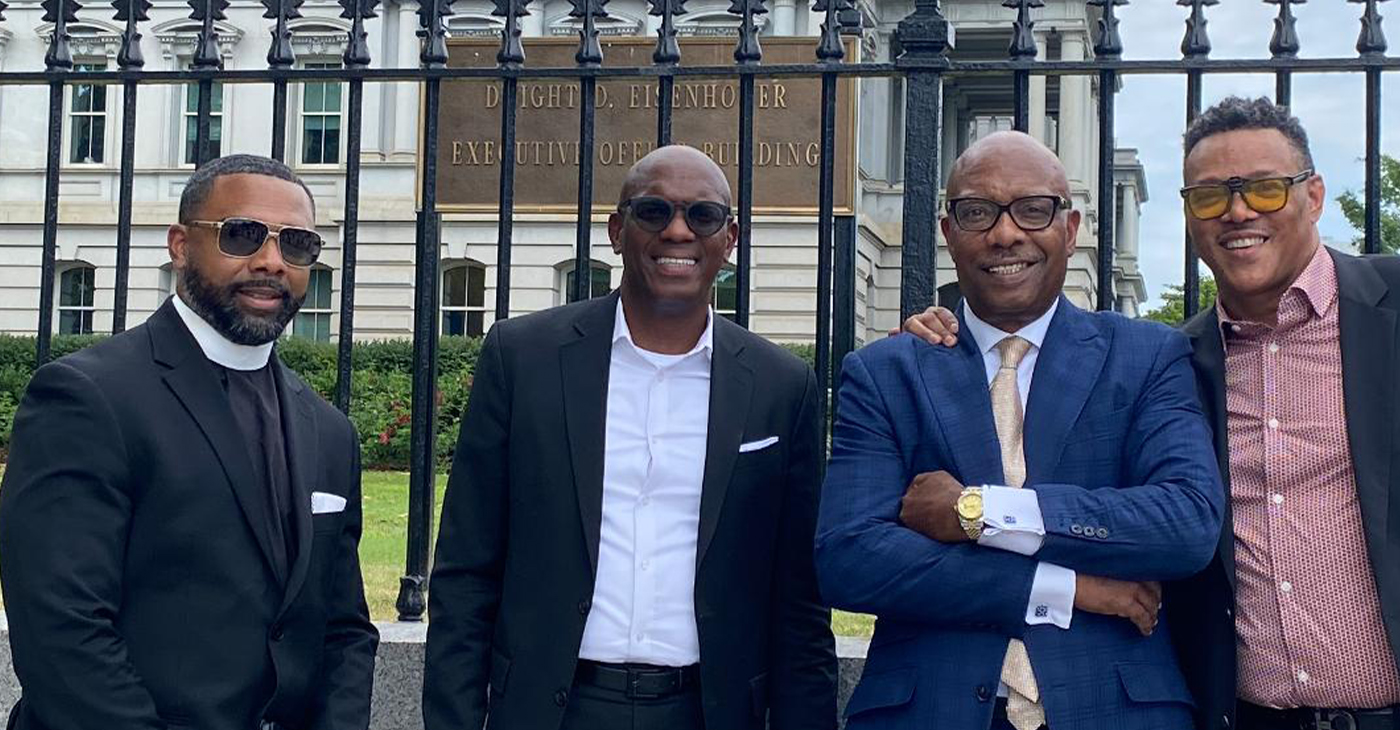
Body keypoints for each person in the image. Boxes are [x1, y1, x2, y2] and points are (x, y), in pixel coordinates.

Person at [903, 99, 1400, 730]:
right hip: (1244, 714)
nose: (1239, 211)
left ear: (1315, 195)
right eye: (1211, 196)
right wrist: (942, 344)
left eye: (1266, 189)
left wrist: (973, 510)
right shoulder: (1174, 359)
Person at [421, 144, 837, 730]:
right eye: (652, 212)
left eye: (702, 216)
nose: (677, 232)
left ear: (731, 239)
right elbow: (466, 569)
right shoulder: (524, 359)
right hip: (554, 708)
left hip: (707, 709)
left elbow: (800, 602)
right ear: (617, 231)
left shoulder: (780, 385)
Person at [818, 131, 1223, 730]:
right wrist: (1066, 587)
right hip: (928, 709)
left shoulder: (1145, 356)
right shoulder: (888, 372)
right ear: (948, 231)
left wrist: (978, 513)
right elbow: (849, 559)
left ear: (1071, 226)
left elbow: (1185, 523)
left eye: (1033, 209)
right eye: (977, 212)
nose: (1006, 233)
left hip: (1114, 708)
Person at [0, 154, 378, 730]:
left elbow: (344, 628)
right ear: (179, 245)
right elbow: (62, 629)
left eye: (297, 244)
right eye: (243, 235)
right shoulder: (86, 398)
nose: (272, 261)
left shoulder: (329, 430)